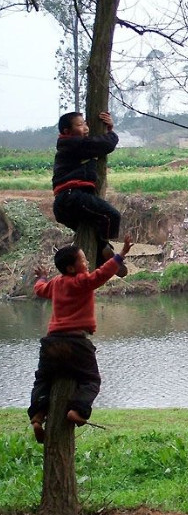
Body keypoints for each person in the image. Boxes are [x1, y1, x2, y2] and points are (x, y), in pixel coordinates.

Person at [27, 235, 133, 443]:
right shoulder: (82, 281)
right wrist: (120, 256)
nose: (87, 264)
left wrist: (42, 277)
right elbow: (102, 274)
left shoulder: (55, 283)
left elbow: (39, 290)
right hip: (76, 342)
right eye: (83, 261)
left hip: (52, 342)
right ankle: (78, 410)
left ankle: (38, 415)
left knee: (43, 379)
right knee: (90, 379)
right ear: (72, 269)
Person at [52, 111, 126, 276]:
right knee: (111, 216)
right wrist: (111, 132)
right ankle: (107, 249)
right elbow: (105, 145)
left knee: (95, 234)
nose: (85, 128)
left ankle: (103, 257)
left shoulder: (70, 145)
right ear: (66, 131)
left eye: (86, 124)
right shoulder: (74, 144)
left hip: (65, 204)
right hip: (73, 197)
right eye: (79, 125)